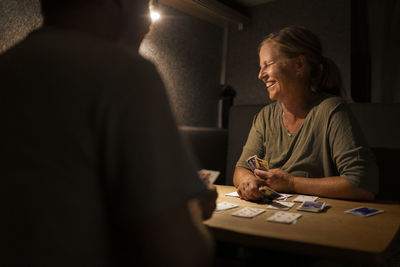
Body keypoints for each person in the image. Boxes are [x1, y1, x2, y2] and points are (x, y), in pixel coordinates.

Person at [0, 0, 217, 266]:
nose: (149, 21)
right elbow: (181, 254)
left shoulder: (8, 66)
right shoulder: (126, 72)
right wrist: (194, 206)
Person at [234, 26, 378, 202]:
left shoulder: (331, 110)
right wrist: (247, 181)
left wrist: (292, 183)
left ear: (299, 65)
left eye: (268, 65)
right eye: (260, 67)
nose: (260, 75)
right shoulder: (265, 116)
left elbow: (362, 184)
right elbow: (241, 169)